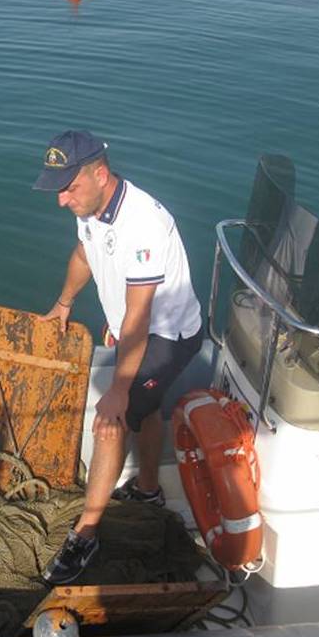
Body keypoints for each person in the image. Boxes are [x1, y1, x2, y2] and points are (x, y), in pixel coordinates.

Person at [33, 129, 204, 584]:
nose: (61, 200)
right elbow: (85, 255)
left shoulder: (141, 224)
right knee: (144, 408)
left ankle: (86, 534)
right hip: (133, 326)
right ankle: (148, 490)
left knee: (112, 422)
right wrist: (64, 303)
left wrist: (119, 391)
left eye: (68, 188)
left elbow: (139, 318)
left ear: (100, 174)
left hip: (167, 335)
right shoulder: (90, 207)